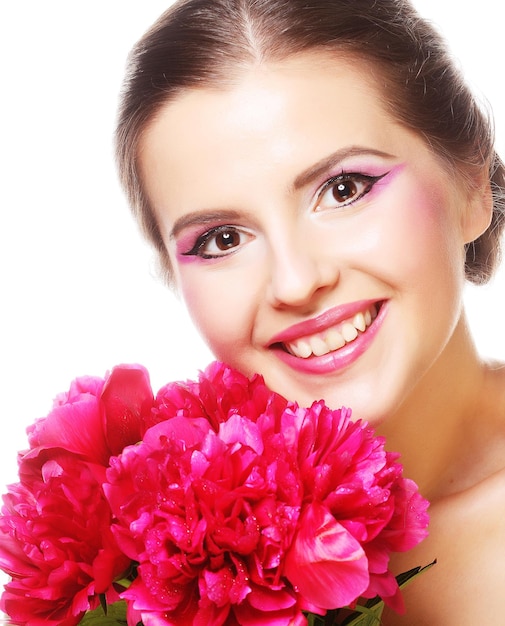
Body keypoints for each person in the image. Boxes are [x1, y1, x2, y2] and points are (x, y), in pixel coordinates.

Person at [114, 0, 505, 623]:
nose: (295, 283)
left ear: (473, 186)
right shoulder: (154, 567)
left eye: (342, 189)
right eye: (222, 238)